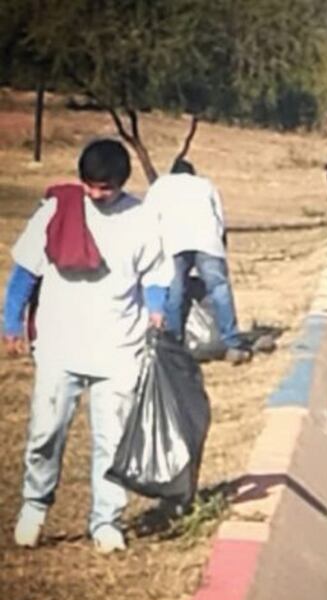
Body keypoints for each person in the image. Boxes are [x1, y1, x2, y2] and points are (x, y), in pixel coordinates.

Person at [2, 139, 172, 552]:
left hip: (119, 348)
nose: (96, 195)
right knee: (46, 432)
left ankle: (106, 521)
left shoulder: (142, 218)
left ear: (121, 184)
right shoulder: (57, 210)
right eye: (90, 186)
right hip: (60, 344)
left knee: (111, 440)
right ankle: (35, 506)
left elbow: (155, 274)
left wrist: (155, 309)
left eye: (105, 188)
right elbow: (25, 272)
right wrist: (10, 323)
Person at [142, 158, 251, 364]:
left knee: (175, 293)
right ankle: (232, 342)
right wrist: (221, 247)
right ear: (192, 173)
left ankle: (174, 344)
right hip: (207, 240)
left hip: (173, 242)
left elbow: (148, 219)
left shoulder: (160, 186)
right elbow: (219, 220)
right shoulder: (205, 184)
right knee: (219, 289)